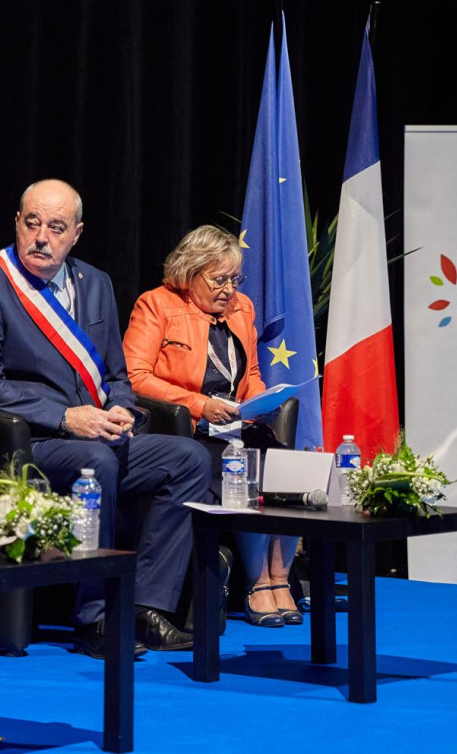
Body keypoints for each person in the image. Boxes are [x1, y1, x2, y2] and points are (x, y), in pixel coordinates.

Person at [0, 179, 211, 657]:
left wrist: (121, 409)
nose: (41, 237)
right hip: (31, 441)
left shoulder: (96, 283)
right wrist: (67, 417)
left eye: (55, 227)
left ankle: (146, 606)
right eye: (32, 224)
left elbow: (119, 374)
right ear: (17, 223)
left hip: (98, 433)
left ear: (76, 234)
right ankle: (96, 618)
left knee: (190, 458)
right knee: (98, 464)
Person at [123, 224, 302, 627]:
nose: (229, 290)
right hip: (188, 431)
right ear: (189, 273)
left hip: (237, 425)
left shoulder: (242, 309)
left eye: (234, 279)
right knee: (244, 472)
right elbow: (135, 377)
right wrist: (200, 404)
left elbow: (251, 373)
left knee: (290, 470)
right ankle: (256, 585)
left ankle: (281, 579)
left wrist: (259, 401)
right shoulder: (156, 305)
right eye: (219, 279)